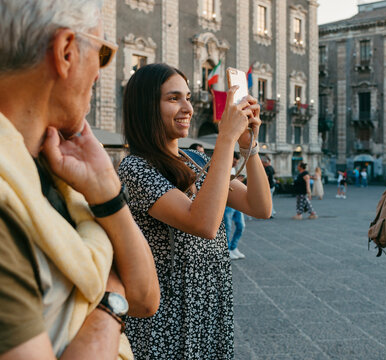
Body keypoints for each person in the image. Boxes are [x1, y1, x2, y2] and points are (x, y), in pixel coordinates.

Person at [0, 1, 160, 359]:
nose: (101, 73)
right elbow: (130, 296)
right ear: (66, 52)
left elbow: (147, 298)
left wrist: (107, 192)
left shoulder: (54, 170)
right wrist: (109, 300)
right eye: (102, 53)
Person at [118, 63, 271, 359]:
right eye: (173, 98)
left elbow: (260, 207)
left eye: (187, 97)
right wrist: (225, 138)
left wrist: (249, 147)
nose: (188, 107)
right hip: (166, 312)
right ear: (146, 107)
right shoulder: (135, 167)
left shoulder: (196, 160)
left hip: (209, 302)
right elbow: (202, 224)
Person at [224, 153, 246, 259]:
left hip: (237, 202)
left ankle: (233, 247)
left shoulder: (234, 170)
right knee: (227, 227)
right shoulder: (224, 168)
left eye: (237, 161)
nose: (235, 163)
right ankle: (227, 249)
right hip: (227, 202)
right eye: (234, 160)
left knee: (241, 225)